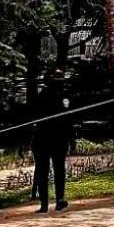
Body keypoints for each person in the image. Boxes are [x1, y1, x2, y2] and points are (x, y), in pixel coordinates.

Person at [31, 67, 73, 214]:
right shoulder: (42, 95)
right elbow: (35, 116)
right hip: (43, 139)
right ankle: (44, 203)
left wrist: (70, 137)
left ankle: (60, 200)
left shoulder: (64, 95)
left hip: (59, 138)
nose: (59, 81)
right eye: (56, 78)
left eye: (60, 78)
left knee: (59, 170)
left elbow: (68, 118)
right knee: (43, 171)